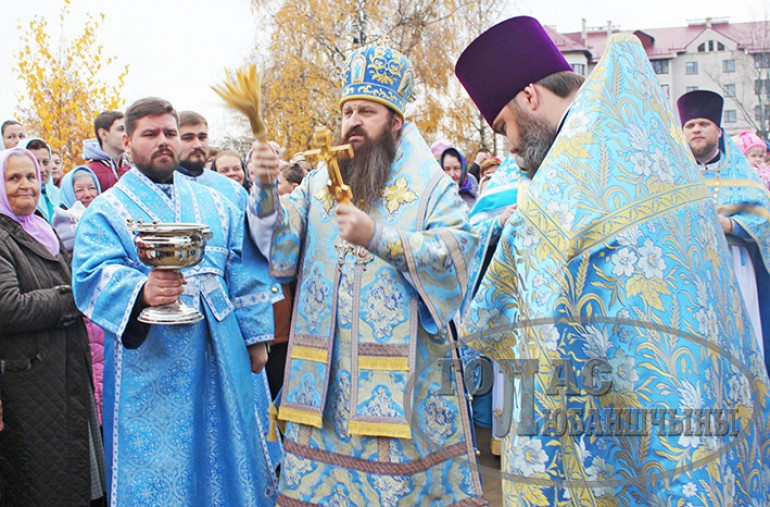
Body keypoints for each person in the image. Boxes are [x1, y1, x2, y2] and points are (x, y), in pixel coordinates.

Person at [456, 16, 770, 504]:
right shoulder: (639, 140)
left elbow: (507, 321)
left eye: (504, 127)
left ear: (530, 96)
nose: (510, 146)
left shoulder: (569, 183)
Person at [248, 45, 484, 505]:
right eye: (348, 111)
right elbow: (277, 249)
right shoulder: (319, 181)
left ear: (395, 121)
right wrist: (262, 190)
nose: (353, 121)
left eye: (367, 112)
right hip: (324, 381)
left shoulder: (428, 182)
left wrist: (378, 237)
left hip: (402, 384)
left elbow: (459, 252)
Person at [72, 97, 278, 505]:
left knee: (229, 449)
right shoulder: (106, 210)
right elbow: (90, 273)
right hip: (153, 360)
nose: (162, 142)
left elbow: (244, 263)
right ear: (128, 142)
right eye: (150, 134)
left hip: (222, 345)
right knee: (161, 463)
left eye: (169, 133)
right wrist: (141, 289)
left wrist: (256, 336)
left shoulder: (217, 201)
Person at [0, 147, 105, 505]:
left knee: (75, 475)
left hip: (64, 371)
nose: (25, 185)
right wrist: (70, 298)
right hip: (29, 383)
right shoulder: (1, 236)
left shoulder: (41, 228)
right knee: (40, 484)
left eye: (30, 176)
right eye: (13, 178)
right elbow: (6, 306)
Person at [678, 90, 770, 362]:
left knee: (743, 342)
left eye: (704, 124)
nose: (697, 130)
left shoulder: (742, 173)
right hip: (690, 271)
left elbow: (765, 219)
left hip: (736, 266)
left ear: (718, 131)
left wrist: (730, 225)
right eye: (690, 125)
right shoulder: (674, 175)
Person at [176, 111, 249, 210]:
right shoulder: (162, 186)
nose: (198, 145)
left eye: (202, 137)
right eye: (188, 138)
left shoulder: (235, 191)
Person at [84, 111, 131, 192]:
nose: (127, 134)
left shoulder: (131, 169)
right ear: (103, 134)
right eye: (121, 129)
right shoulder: (89, 173)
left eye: (128, 129)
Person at [19, 138, 63, 222]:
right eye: (35, 162)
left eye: (45, 162)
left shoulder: (60, 196)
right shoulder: (19, 199)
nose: (42, 169)